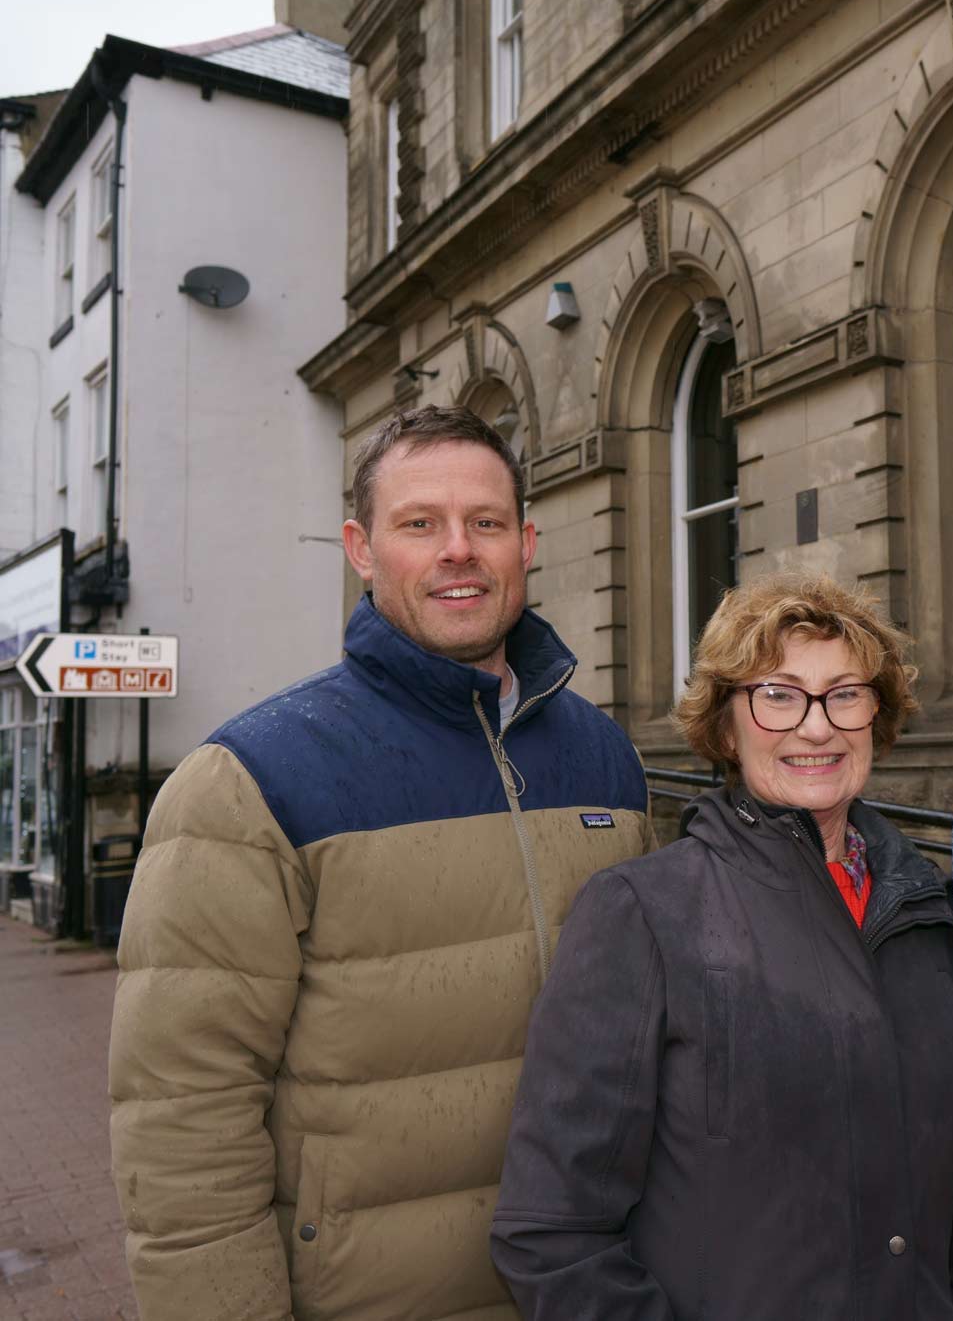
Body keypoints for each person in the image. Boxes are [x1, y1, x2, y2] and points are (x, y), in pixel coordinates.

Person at [108, 405, 653, 1320]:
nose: (458, 550)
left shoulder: (607, 759)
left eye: (484, 522)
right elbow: (181, 1121)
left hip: (584, 1288)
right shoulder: (249, 781)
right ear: (362, 548)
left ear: (525, 542)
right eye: (419, 524)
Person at [490, 571, 953, 1319]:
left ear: (876, 718)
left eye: (845, 693)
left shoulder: (932, 913)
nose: (817, 725)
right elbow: (553, 1230)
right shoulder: (643, 915)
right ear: (726, 726)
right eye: (778, 694)